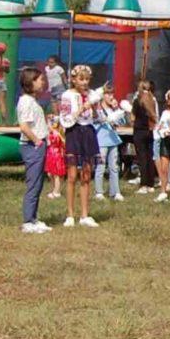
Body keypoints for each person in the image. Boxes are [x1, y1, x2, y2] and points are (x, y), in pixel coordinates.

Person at [59, 65, 98, 228]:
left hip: (88, 132)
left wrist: (95, 108)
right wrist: (82, 108)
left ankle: (84, 214)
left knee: (87, 175)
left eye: (87, 79)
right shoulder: (67, 95)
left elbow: (96, 117)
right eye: (81, 79)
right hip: (74, 132)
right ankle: (70, 214)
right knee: (72, 175)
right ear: (73, 80)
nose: (84, 83)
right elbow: (65, 119)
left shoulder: (91, 95)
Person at [15, 69, 50, 233]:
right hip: (32, 146)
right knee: (33, 184)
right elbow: (24, 126)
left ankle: (34, 218)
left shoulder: (32, 101)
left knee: (38, 184)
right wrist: (37, 141)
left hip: (38, 144)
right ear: (31, 82)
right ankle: (28, 221)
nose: (42, 82)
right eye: (40, 80)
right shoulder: (26, 102)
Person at [93, 91, 128, 203]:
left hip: (113, 140)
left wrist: (117, 109)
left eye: (112, 94)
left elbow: (122, 122)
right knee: (100, 166)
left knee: (114, 167)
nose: (111, 97)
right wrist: (105, 119)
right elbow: (95, 122)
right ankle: (99, 192)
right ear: (103, 96)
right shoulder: (98, 109)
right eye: (108, 94)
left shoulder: (112, 109)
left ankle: (115, 191)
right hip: (101, 141)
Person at [130, 81, 158, 186]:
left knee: (142, 158)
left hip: (139, 131)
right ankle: (151, 183)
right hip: (150, 131)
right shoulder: (152, 100)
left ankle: (144, 183)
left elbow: (133, 117)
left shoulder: (137, 101)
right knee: (150, 157)